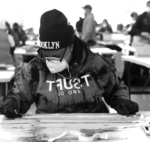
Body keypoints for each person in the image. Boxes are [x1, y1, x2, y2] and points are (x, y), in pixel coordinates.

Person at [0, 9, 139, 118]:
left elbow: (115, 88)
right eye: (46, 55)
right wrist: (12, 103)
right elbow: (19, 94)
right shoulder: (35, 69)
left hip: (93, 132)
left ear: (70, 47)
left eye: (56, 56)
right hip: (50, 131)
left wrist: (121, 100)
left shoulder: (96, 65)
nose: (50, 61)